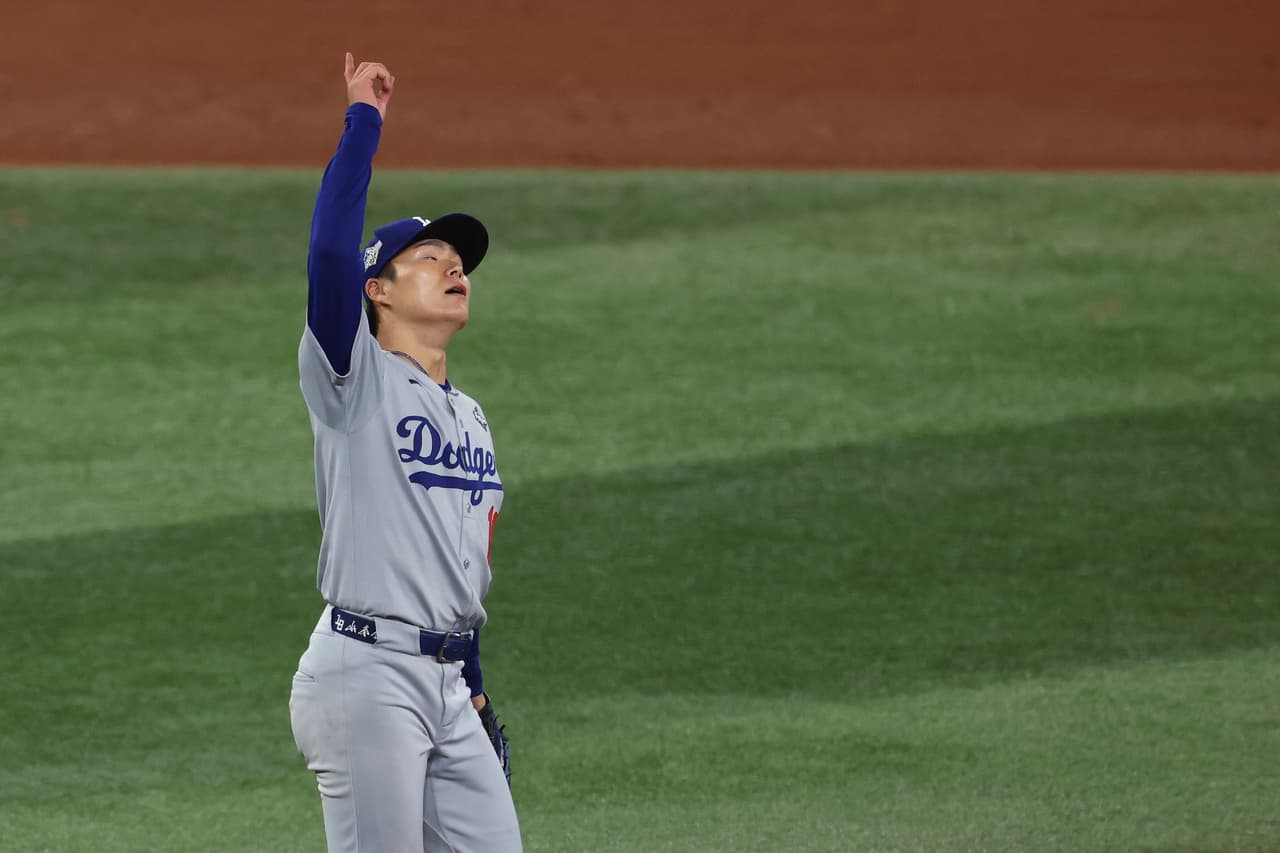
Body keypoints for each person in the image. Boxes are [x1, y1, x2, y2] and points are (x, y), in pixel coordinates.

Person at [288, 53, 522, 853]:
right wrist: (365, 119)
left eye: (457, 262)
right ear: (376, 290)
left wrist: (479, 696)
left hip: (451, 685)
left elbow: (460, 569)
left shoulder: (475, 420)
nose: (453, 265)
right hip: (366, 676)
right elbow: (326, 252)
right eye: (428, 258)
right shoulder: (352, 379)